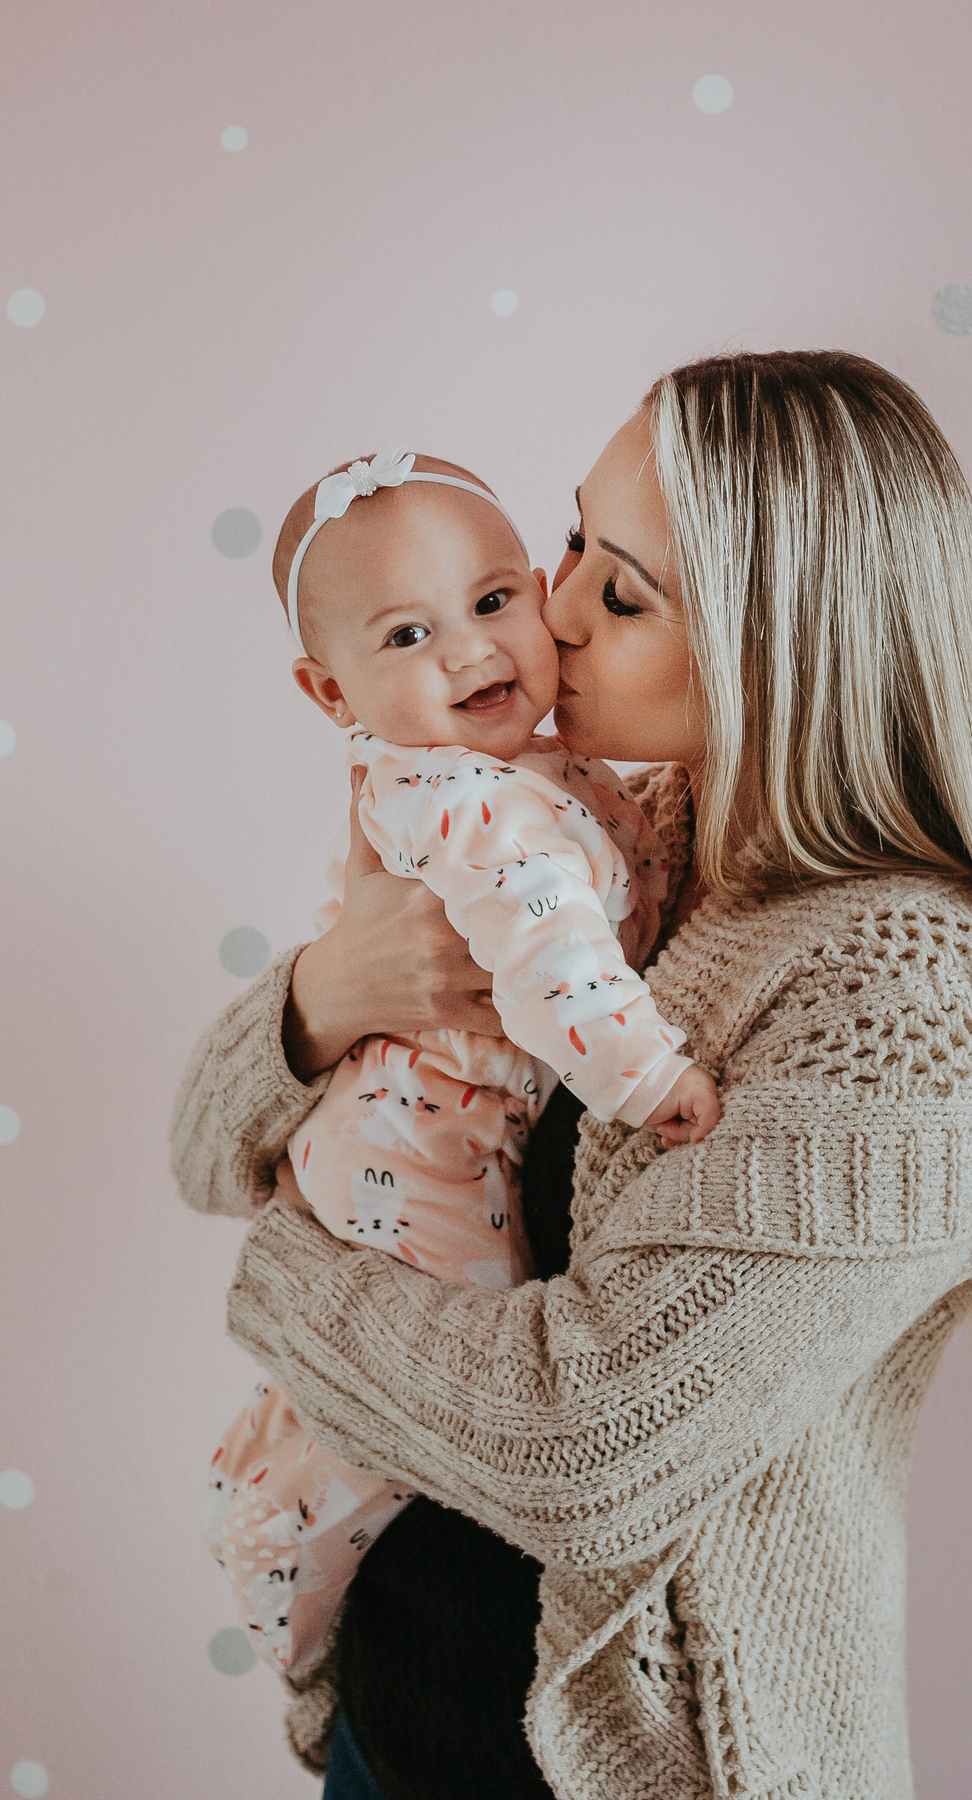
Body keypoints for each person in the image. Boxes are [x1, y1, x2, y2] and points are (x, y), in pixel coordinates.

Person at [171, 350, 972, 1800]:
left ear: (773, 638)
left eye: (625, 590)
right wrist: (318, 996)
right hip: (397, 1719)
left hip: (642, 1770)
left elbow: (589, 1440)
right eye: (572, 541)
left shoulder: (909, 991)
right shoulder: (605, 837)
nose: (547, 612)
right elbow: (202, 1147)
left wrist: (286, 1290)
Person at [203, 444, 718, 1679]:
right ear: (332, 695)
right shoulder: (474, 805)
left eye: (494, 601)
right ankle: (281, 1556)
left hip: (410, 1130)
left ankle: (271, 1469)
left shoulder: (535, 777)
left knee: (396, 1384)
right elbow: (554, 961)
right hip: (421, 1148)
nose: (473, 652)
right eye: (408, 635)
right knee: (417, 1401)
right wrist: (654, 1081)